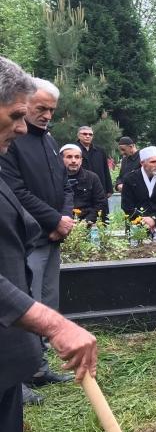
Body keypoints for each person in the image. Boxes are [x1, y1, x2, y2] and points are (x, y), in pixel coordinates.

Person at [0, 56, 98, 432]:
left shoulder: (35, 145)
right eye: (17, 115)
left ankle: (31, 372)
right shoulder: (12, 153)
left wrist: (60, 217)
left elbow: (58, 186)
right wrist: (53, 324)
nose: (25, 126)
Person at [0, 76, 75, 405]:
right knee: (24, 303)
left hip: (54, 235)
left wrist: (65, 217)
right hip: (30, 237)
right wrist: (52, 220)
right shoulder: (12, 142)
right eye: (40, 108)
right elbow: (16, 191)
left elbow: (64, 184)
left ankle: (39, 366)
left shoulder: (50, 141)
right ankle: (19, 376)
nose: (46, 115)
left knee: (47, 301)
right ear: (24, 104)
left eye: (51, 110)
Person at [121, 146, 156, 242]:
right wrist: (143, 220)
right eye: (153, 162)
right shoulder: (130, 179)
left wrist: (154, 219)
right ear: (142, 163)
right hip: (136, 223)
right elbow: (126, 206)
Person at [61, 143, 105, 224]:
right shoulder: (54, 179)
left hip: (87, 223)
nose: (73, 161)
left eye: (77, 157)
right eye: (69, 157)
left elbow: (100, 203)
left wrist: (85, 222)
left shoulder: (92, 178)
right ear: (60, 159)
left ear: (81, 160)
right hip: (61, 224)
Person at [76, 126, 113, 217]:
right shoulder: (74, 151)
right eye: (84, 134)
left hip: (100, 188)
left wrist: (109, 189)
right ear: (78, 136)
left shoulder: (100, 151)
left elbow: (106, 170)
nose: (87, 136)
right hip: (81, 189)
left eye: (90, 134)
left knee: (102, 216)